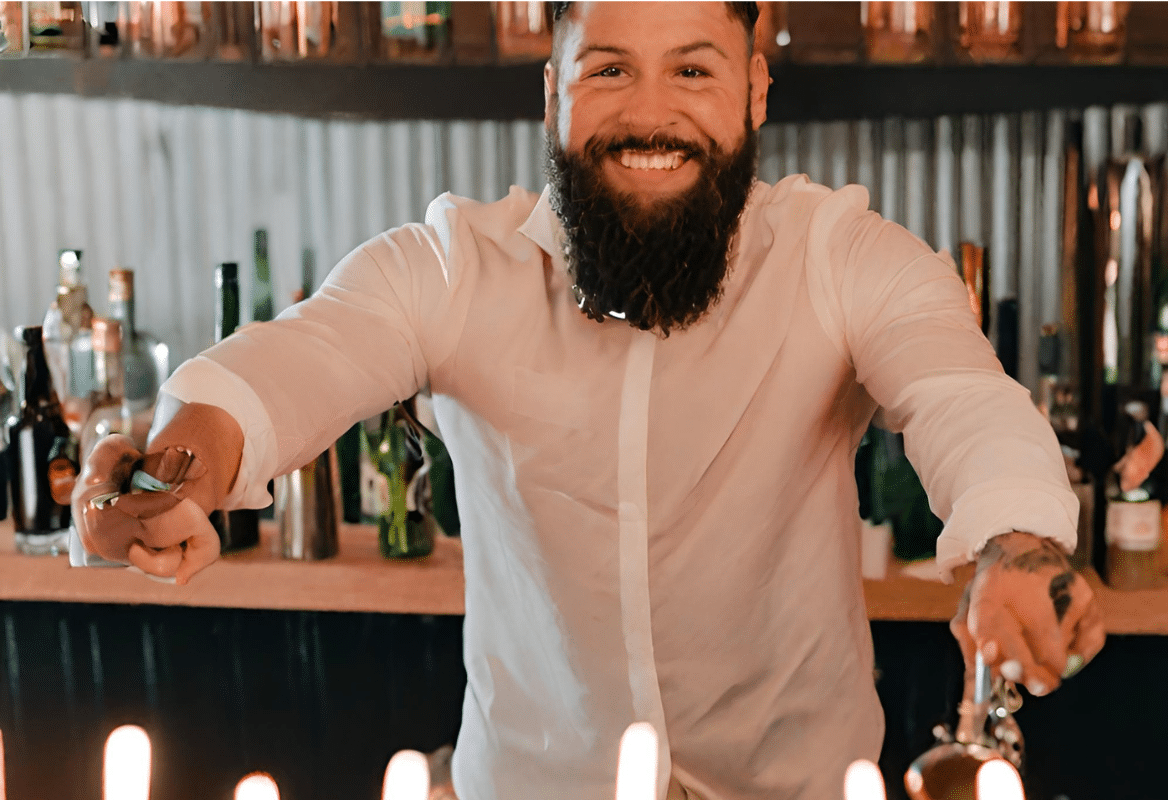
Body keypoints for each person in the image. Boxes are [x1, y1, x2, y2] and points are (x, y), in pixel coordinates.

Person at [73, 3, 1106, 799]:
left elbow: (962, 392)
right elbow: (293, 362)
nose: (650, 113)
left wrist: (1016, 540)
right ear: (552, 91)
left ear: (754, 89)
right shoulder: (450, 271)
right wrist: (180, 464)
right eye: (609, 69)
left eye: (692, 70)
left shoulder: (842, 261)